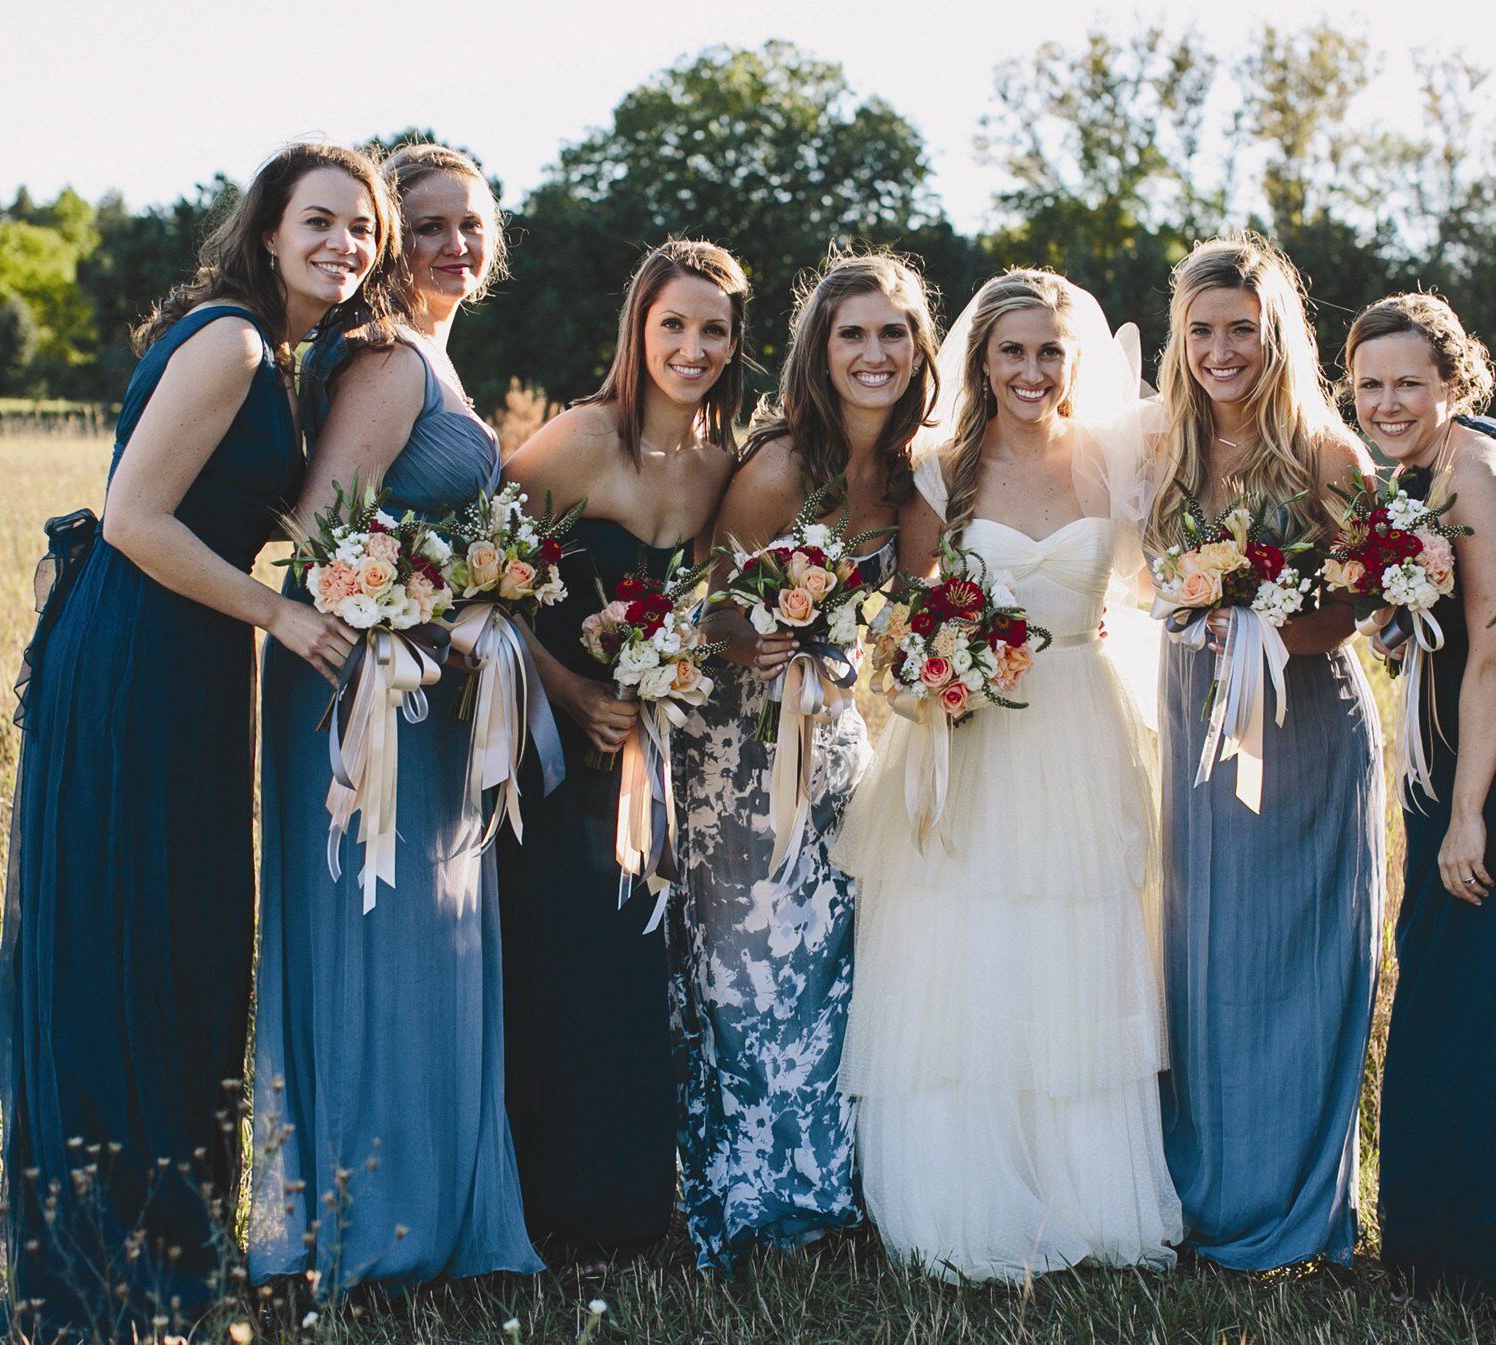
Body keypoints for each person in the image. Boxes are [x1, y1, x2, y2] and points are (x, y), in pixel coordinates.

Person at [0, 142, 395, 1341]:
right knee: (135, 934)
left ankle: (156, 1244)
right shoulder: (233, 341)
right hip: (142, 658)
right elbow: (131, 519)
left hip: (186, 653)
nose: (345, 246)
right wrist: (283, 612)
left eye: (360, 230)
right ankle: (109, 1262)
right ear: (268, 231)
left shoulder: (285, 353)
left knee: (174, 929)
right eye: (321, 221)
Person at [836, 268, 1182, 1283]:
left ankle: (1087, 1188)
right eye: (1012, 351)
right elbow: (901, 619)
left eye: (1049, 351)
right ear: (980, 360)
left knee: (1076, 942)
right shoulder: (940, 471)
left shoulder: (1120, 461)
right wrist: (938, 670)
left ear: (1077, 361)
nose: (1031, 371)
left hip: (1079, 721)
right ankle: (968, 1192)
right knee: (969, 942)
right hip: (971, 730)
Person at [249, 142, 542, 1291]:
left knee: (430, 939)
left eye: (471, 223)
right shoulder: (386, 362)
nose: (454, 245)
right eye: (425, 225)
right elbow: (321, 538)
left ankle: (420, 1212)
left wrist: (482, 596)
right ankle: (377, 1229)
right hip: (362, 691)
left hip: (421, 685)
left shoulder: (437, 361)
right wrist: (438, 603)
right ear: (386, 240)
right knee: (378, 939)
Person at [671, 252, 940, 1271]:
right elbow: (709, 608)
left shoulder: (913, 472)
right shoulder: (782, 465)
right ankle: (751, 1205)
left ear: (918, 350)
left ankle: (826, 1194)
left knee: (830, 967)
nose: (875, 353)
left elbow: (916, 607)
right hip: (736, 748)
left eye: (893, 334)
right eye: (852, 335)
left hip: (829, 734)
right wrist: (759, 636)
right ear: (819, 352)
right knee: (751, 975)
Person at [496, 239, 750, 1268]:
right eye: (673, 325)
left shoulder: (721, 466)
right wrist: (571, 692)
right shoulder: (579, 442)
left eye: (713, 331)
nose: (691, 348)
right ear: (638, 330)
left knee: (634, 974)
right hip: (552, 753)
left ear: (737, 345)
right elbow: (481, 589)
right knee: (557, 966)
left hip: (651, 758)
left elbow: (718, 604)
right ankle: (543, 1207)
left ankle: (626, 1211)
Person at [1148, 234, 1383, 1272]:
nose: (1221, 348)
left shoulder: (1328, 454)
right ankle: (1208, 1187)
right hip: (1196, 717)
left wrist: (1269, 625)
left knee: (1299, 957)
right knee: (1206, 956)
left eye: (1242, 328)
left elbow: (1381, 586)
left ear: (1278, 332)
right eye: (1202, 330)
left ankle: (1295, 1202)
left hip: (1305, 726)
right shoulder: (1166, 450)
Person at [1345, 293, 1496, 1315]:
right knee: (1445, 974)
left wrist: (1472, 811)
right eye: (1371, 385)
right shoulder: (1420, 475)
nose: (1389, 401)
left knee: (1490, 985)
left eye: (1409, 383)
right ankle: (1433, 1241)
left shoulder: (1478, 472)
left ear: (1455, 383)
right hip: (1457, 742)